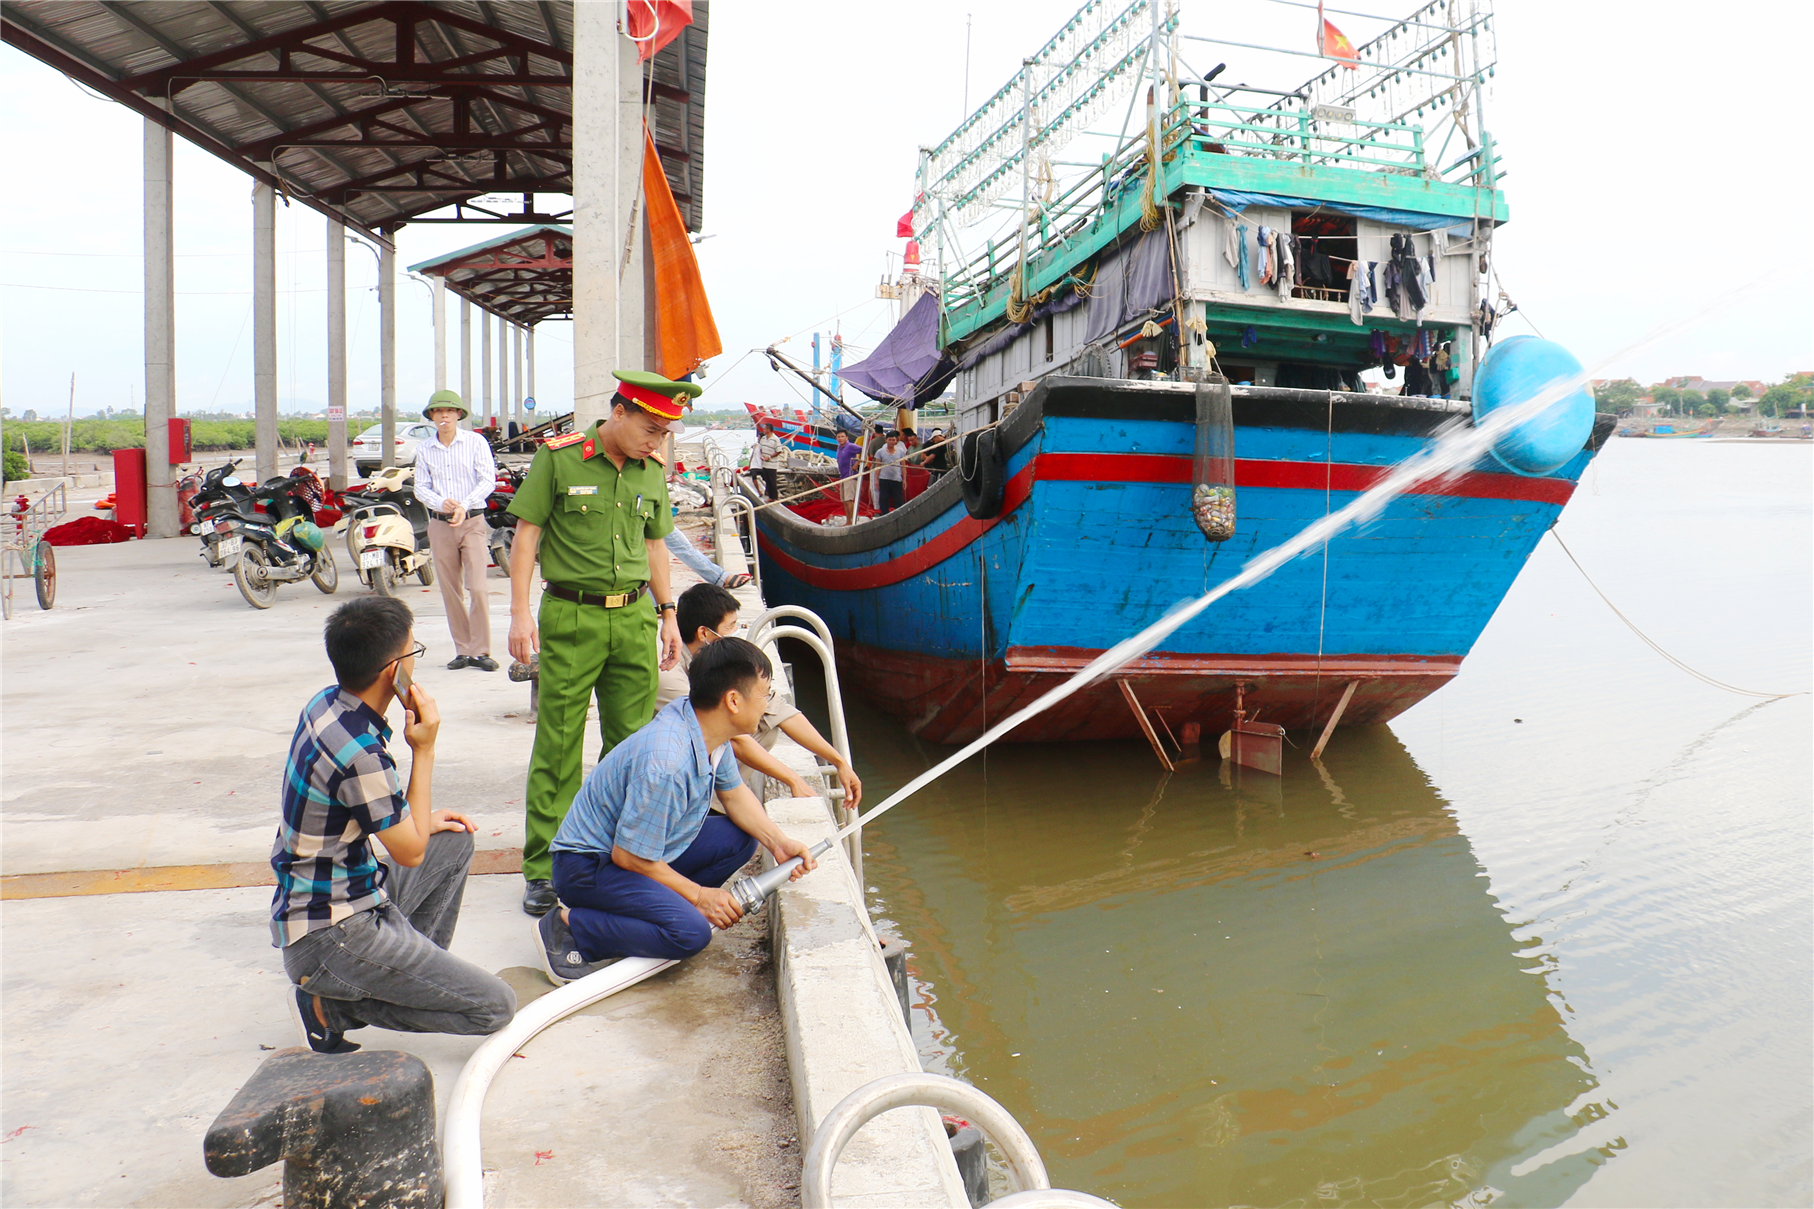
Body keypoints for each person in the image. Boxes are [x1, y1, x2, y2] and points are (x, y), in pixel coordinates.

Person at [272, 597, 516, 1053]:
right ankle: (331, 1008)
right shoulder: (361, 753)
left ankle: (405, 972)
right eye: (413, 654)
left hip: (345, 894)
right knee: (494, 1007)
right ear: (393, 671)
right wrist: (424, 749)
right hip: (333, 932)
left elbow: (402, 831)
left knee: (454, 840)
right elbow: (410, 852)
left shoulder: (325, 704)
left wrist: (420, 819)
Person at [506, 369, 695, 917]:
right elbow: (526, 538)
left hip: (634, 618)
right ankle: (544, 869)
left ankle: (615, 859)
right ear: (619, 412)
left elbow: (656, 545)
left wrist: (668, 614)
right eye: (650, 427)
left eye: (664, 432)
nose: (656, 439)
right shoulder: (560, 457)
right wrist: (520, 616)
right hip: (572, 617)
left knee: (633, 748)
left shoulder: (650, 471)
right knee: (559, 747)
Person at [535, 638, 820, 980]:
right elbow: (628, 857)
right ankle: (570, 926)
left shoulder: (705, 727)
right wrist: (700, 897)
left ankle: (651, 909)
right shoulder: (667, 764)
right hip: (588, 867)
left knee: (740, 838)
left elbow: (733, 794)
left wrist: (778, 843)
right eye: (764, 694)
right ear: (732, 700)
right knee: (690, 934)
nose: (767, 704)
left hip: (633, 854)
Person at [654, 583, 863, 809]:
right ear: (704, 633)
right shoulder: (667, 670)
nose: (736, 633)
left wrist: (839, 762)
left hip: (705, 755)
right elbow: (729, 737)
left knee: (766, 722)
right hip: (669, 772)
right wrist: (791, 778)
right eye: (731, 626)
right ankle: (711, 804)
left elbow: (780, 710)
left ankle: (724, 798)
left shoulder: (721, 658)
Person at [414, 389, 501, 672]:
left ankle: (481, 650)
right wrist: (440, 502)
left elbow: (487, 480)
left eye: (449, 411)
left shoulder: (476, 442)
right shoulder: (425, 449)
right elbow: (420, 487)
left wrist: (464, 504)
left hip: (472, 522)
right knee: (450, 589)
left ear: (458, 414)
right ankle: (463, 650)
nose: (444, 416)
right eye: (438, 412)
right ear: (431, 416)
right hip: (440, 524)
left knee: (477, 587)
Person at [873, 431, 907, 513]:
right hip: (884, 479)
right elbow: (878, 466)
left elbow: (903, 466)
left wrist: (904, 479)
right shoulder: (880, 452)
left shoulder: (900, 452)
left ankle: (899, 515)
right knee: (884, 498)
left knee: (898, 499)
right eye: (890, 440)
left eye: (893, 440)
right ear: (886, 440)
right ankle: (884, 515)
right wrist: (876, 480)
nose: (892, 442)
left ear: (896, 441)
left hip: (897, 479)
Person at [749, 423, 784, 502]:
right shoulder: (763, 438)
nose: (763, 430)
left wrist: (770, 457)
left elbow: (779, 451)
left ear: (768, 430)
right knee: (767, 481)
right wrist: (762, 456)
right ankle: (770, 496)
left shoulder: (775, 439)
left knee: (772, 481)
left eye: (764, 429)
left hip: (772, 464)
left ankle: (774, 497)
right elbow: (760, 448)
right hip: (764, 464)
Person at [834, 430, 860, 511]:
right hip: (843, 476)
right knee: (844, 501)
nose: (840, 439)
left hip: (850, 476)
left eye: (842, 436)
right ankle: (848, 521)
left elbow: (864, 451)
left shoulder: (851, 446)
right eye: (839, 437)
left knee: (849, 500)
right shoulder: (839, 447)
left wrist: (857, 463)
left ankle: (851, 521)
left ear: (847, 438)